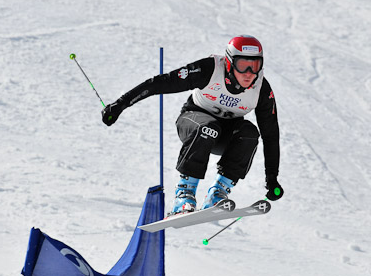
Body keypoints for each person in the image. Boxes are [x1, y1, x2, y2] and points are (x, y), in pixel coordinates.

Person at [101, 35, 284, 215]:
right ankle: (184, 194)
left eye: (255, 66)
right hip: (193, 122)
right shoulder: (209, 70)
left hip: (225, 136)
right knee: (208, 127)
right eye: (243, 66)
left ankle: (217, 193)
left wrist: (272, 178)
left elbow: (271, 134)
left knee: (250, 133)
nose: (249, 74)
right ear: (229, 62)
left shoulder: (261, 88)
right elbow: (161, 83)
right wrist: (120, 104)